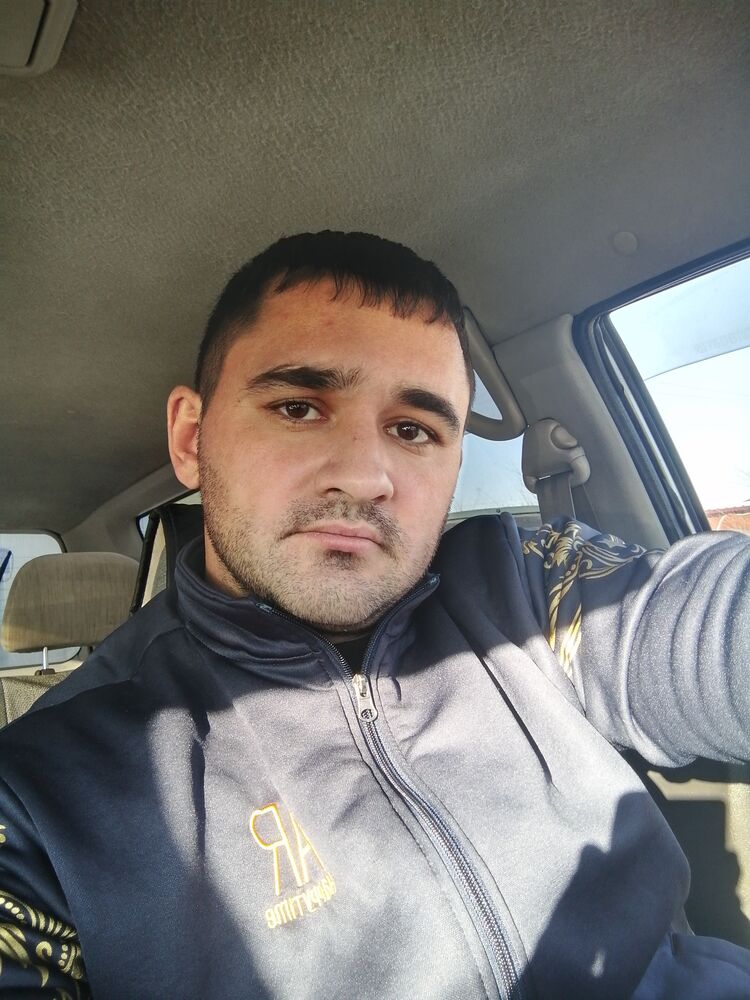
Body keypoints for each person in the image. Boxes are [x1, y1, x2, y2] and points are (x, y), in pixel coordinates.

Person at [0, 231, 748, 999]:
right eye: (298, 407)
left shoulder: (532, 587)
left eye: (413, 430)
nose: (364, 476)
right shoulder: (43, 793)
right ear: (193, 439)